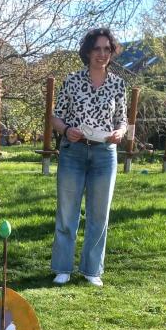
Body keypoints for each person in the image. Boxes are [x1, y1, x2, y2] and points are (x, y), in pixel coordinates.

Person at [50, 27, 127, 287]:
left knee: (99, 214)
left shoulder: (118, 84)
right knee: (67, 213)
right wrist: (66, 130)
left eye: (107, 49)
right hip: (73, 152)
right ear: (88, 51)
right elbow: (56, 117)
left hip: (105, 154)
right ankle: (62, 268)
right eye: (97, 49)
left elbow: (123, 121)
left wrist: (120, 133)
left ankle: (92, 269)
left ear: (112, 52)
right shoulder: (72, 80)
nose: (102, 54)